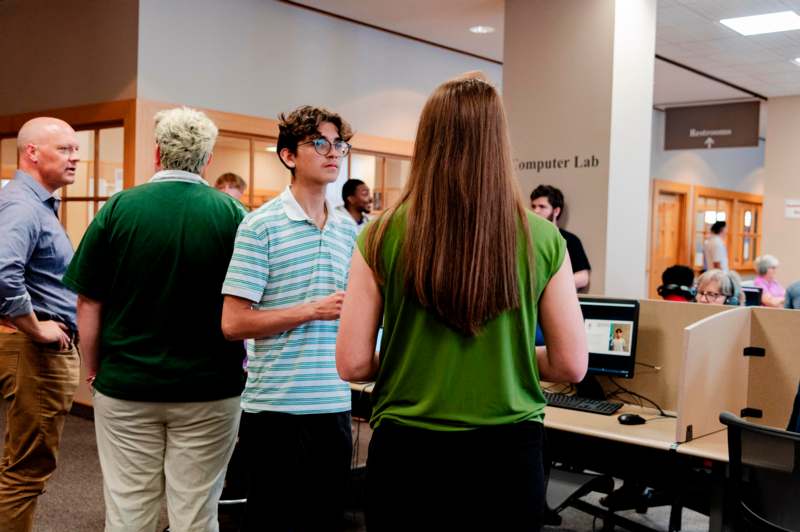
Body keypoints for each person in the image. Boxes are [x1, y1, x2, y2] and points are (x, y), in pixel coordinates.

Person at [336, 73, 587, 531]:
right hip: (507, 456)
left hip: (408, 453)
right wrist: (509, 359)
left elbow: (352, 364)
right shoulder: (546, 238)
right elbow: (571, 365)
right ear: (499, 141)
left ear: (427, 140)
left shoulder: (379, 233)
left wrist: (416, 360)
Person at [62, 107, 246, 531]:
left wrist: (93, 367)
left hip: (127, 385)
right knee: (197, 513)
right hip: (210, 388)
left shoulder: (119, 209)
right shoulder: (234, 216)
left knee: (129, 510)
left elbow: (88, 302)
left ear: (157, 154)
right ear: (208, 159)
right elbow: (247, 305)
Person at [221, 105, 357, 531]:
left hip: (334, 404)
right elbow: (233, 323)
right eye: (319, 143)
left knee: (326, 520)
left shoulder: (349, 230)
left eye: (339, 144)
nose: (332, 152)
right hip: (276, 410)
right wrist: (312, 309)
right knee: (272, 521)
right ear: (289, 156)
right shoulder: (260, 226)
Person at [0, 117, 81, 531]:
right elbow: (2, 273)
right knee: (25, 471)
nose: (76, 156)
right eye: (65, 149)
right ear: (32, 152)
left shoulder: (37, 202)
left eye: (75, 149)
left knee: (24, 466)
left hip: (38, 352)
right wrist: (36, 327)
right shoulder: (22, 204)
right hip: (34, 352)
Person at [530, 184, 591, 291]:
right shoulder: (527, 238)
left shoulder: (570, 240)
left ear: (556, 211)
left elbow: (583, 277)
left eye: (542, 207)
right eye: (533, 206)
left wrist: (549, 285)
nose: (536, 211)